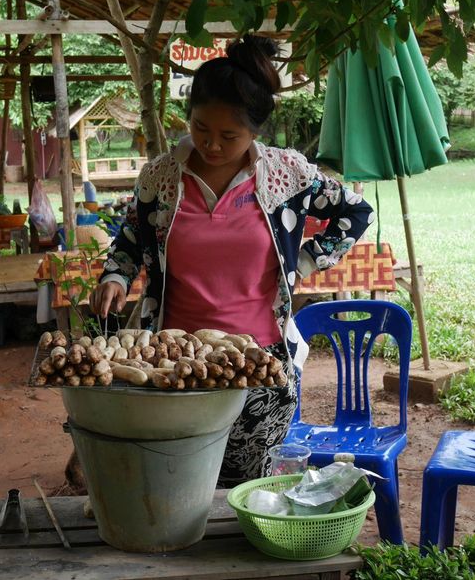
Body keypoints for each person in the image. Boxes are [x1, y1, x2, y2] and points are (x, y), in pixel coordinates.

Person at [90, 35, 375, 486]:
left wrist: (304, 262)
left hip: (261, 367)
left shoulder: (286, 175)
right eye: (200, 128)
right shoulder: (161, 177)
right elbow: (129, 240)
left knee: (246, 493)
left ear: (255, 132)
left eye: (229, 136)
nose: (212, 144)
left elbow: (356, 213)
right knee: (176, 486)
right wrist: (116, 277)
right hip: (172, 365)